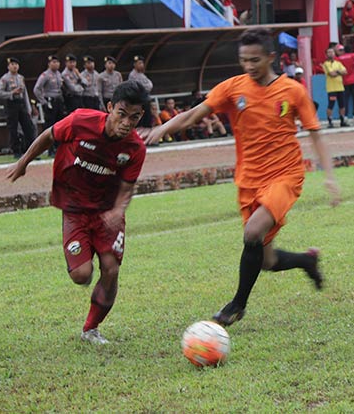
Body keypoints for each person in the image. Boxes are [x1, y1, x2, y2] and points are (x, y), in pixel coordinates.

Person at [143, 28, 340, 327]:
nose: (249, 66)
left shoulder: (293, 91)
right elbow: (195, 114)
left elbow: (316, 134)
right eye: (244, 60)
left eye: (255, 60)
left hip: (285, 176)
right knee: (266, 261)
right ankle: (306, 261)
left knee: (251, 232)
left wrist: (329, 176)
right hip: (249, 180)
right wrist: (161, 129)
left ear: (271, 57)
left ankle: (237, 305)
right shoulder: (233, 88)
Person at [7, 81, 148, 345]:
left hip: (107, 213)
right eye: (122, 113)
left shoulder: (135, 149)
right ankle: (82, 256)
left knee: (111, 269)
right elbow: (49, 135)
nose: (127, 122)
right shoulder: (81, 121)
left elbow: (127, 187)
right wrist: (24, 162)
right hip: (74, 208)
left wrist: (118, 211)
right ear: (109, 108)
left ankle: (91, 329)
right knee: (81, 275)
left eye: (135, 116)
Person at [0, 57, 36, 157]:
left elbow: (25, 93)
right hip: (11, 104)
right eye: (12, 64)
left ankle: (31, 151)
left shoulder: (21, 77)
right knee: (13, 128)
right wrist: (12, 93)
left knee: (28, 127)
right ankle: (16, 151)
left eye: (16, 64)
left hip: (21, 103)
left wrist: (29, 108)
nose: (15, 66)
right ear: (8, 66)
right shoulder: (4, 78)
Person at [34, 55, 65, 157]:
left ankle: (59, 148)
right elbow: (37, 89)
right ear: (49, 64)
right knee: (50, 126)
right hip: (49, 101)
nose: (55, 64)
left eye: (57, 62)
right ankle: (50, 149)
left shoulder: (59, 74)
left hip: (58, 101)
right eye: (53, 62)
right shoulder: (45, 75)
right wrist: (43, 102)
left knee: (59, 125)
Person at [322, 46, 349, 128]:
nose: (331, 54)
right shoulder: (326, 64)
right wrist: (339, 72)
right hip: (332, 88)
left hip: (340, 87)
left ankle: (342, 120)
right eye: (329, 52)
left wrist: (337, 72)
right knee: (331, 105)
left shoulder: (338, 63)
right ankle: (330, 121)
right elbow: (332, 74)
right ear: (326, 54)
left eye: (332, 52)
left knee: (342, 105)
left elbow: (345, 72)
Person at [128, 56, 153, 128]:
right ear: (135, 65)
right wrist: (145, 88)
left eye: (142, 63)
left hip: (145, 98)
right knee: (140, 118)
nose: (141, 65)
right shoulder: (132, 75)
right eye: (139, 63)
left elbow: (150, 84)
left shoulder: (142, 75)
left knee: (147, 117)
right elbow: (138, 87)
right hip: (139, 99)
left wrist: (145, 87)